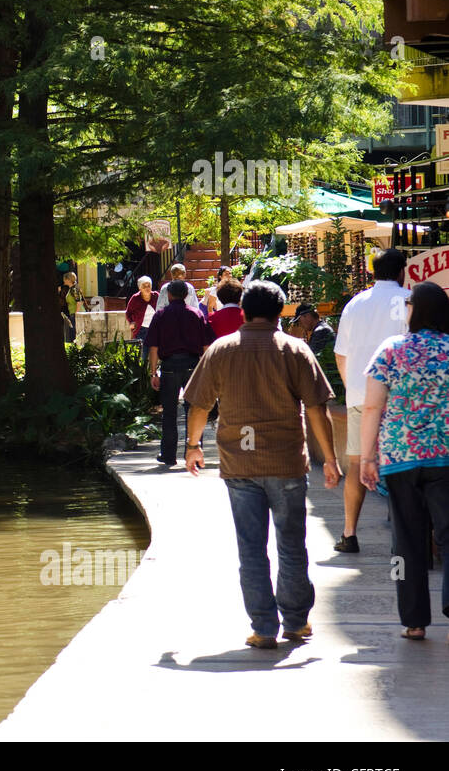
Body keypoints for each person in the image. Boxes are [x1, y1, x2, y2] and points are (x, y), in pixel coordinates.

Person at [183, 280, 341, 649]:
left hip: (239, 466)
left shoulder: (221, 350)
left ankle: (264, 628)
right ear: (279, 312)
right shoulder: (295, 349)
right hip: (286, 462)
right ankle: (297, 622)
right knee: (291, 544)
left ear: (243, 312)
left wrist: (192, 446)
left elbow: (200, 405)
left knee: (251, 548)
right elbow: (318, 408)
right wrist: (330, 459)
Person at [358, 281, 449, 640]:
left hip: (400, 457)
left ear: (413, 310)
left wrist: (367, 457)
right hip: (445, 455)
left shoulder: (391, 350)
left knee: (406, 542)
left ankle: (413, 621)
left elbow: (372, 407)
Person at [333, 248, 410, 553]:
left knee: (356, 463)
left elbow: (341, 354)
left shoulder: (355, 304)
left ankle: (349, 533)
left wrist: (352, 385)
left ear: (371, 272)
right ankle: (402, 538)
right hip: (399, 397)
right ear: (402, 270)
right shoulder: (409, 300)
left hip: (359, 395)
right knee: (402, 465)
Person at [145, 279, 215, 466]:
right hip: (193, 366)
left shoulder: (161, 315)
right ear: (186, 295)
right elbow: (207, 346)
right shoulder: (197, 314)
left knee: (169, 413)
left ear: (168, 295)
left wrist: (153, 373)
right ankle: (193, 452)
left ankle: (168, 455)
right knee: (194, 411)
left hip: (169, 367)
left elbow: (153, 347)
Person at [124, 276, 158, 340]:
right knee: (143, 349)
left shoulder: (156, 296)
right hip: (141, 330)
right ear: (140, 288)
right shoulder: (135, 298)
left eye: (149, 285)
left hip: (155, 329)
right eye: (144, 286)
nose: (147, 288)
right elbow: (128, 312)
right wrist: (131, 322)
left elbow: (162, 309)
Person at [59, 270, 83, 344]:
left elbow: (78, 302)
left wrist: (76, 314)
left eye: (65, 279)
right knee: (73, 332)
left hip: (76, 313)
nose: (63, 280)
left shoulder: (74, 289)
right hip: (72, 313)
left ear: (69, 280)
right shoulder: (71, 288)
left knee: (75, 332)